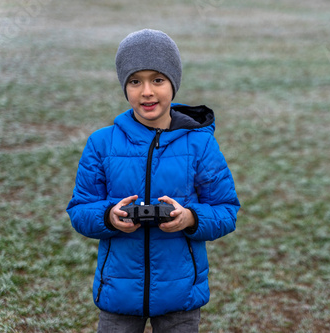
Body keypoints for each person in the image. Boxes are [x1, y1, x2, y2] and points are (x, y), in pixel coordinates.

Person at [66, 29, 240, 333]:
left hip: (181, 297)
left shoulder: (200, 145)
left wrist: (190, 217)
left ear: (173, 83)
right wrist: (109, 216)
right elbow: (80, 210)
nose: (147, 91)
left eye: (157, 80)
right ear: (125, 87)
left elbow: (226, 210)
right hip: (118, 295)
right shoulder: (101, 144)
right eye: (135, 81)